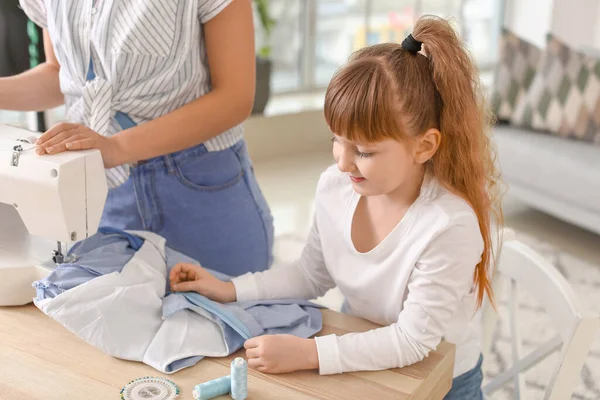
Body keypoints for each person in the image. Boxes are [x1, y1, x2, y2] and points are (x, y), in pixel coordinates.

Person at [168, 15, 504, 400]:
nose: (342, 163)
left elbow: (412, 342)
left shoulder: (448, 226)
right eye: (336, 140)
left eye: (363, 151)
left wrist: (310, 353)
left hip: (439, 381)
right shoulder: (336, 186)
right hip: (361, 350)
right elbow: (311, 275)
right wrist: (228, 289)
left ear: (424, 146)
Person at [0, 0, 274, 277]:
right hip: (103, 188)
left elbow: (234, 98)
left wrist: (116, 147)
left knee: (233, 314)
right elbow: (62, 75)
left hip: (200, 188)